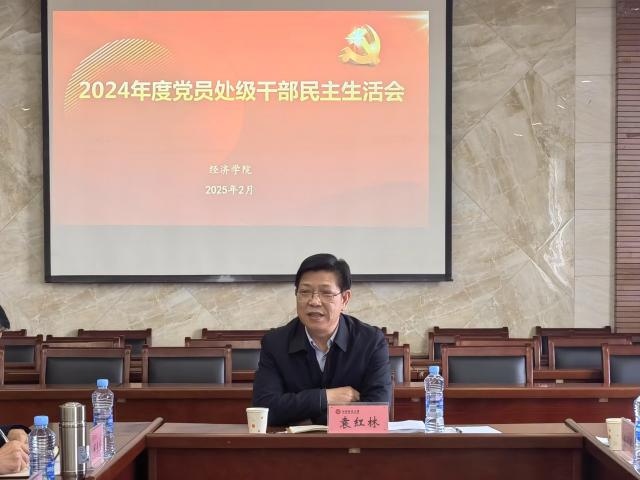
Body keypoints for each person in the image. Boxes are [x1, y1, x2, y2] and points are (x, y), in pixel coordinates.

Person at [252, 253, 391, 426]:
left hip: (351, 443)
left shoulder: (370, 342)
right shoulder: (275, 343)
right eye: (305, 292)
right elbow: (264, 410)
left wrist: (309, 418)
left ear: (345, 299)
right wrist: (325, 398)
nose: (314, 301)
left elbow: (377, 413)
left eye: (326, 293)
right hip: (294, 443)